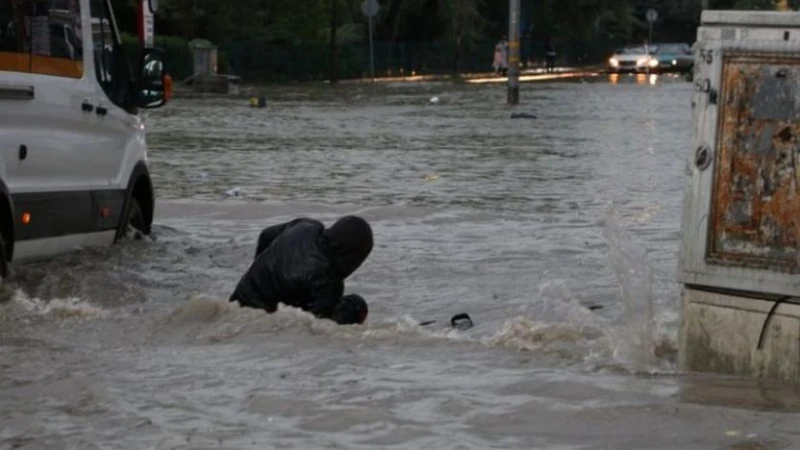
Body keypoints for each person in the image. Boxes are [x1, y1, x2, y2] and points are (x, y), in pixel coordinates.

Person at [229, 216, 373, 325]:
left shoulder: (307, 226)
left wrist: (259, 270)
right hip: (261, 320)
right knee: (356, 305)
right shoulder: (328, 282)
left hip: (238, 300)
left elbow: (266, 235)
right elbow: (315, 325)